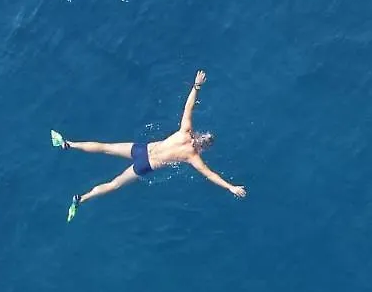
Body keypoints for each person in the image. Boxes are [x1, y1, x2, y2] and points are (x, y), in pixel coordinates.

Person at [52, 70, 245, 221]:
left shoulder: (185, 131)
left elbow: (188, 107)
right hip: (145, 165)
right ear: (203, 148)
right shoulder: (192, 157)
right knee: (114, 184)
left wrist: (196, 86)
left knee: (105, 147)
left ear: (199, 135)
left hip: (141, 149)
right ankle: (80, 199)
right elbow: (210, 175)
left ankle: (68, 144)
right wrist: (230, 187)